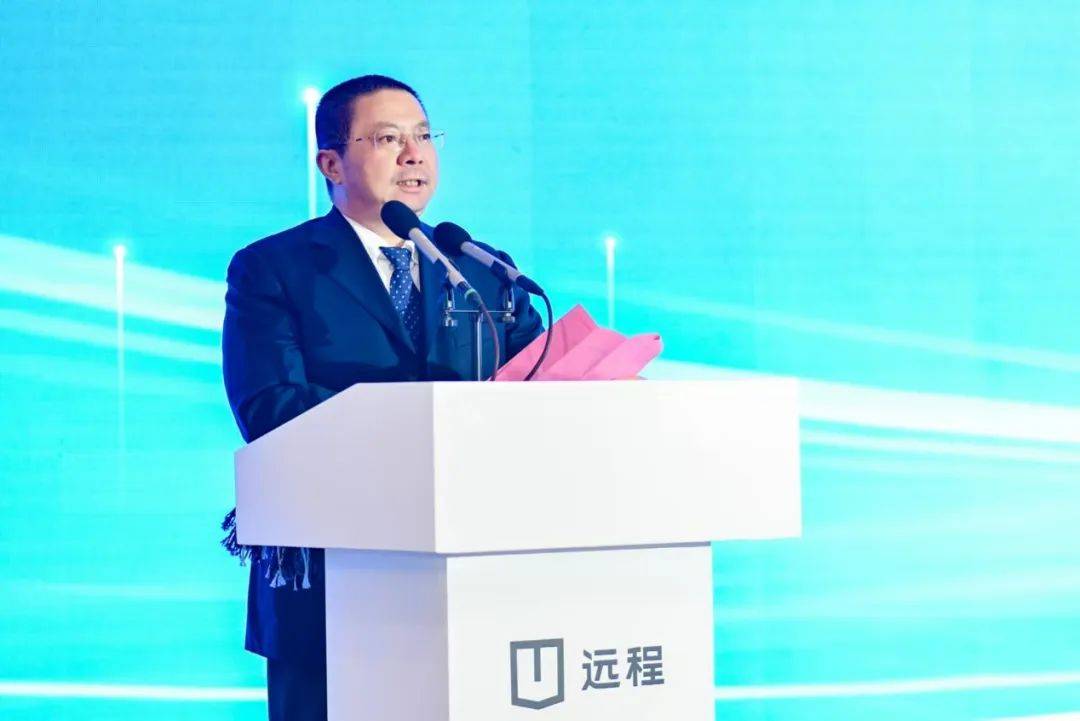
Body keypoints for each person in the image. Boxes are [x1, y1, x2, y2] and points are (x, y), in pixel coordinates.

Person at [221, 74, 544, 721]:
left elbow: (537, 381)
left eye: (424, 136)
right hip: (331, 574)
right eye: (389, 138)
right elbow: (271, 409)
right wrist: (420, 423)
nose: (414, 155)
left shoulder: (477, 269)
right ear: (331, 164)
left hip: (475, 564)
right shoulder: (275, 267)